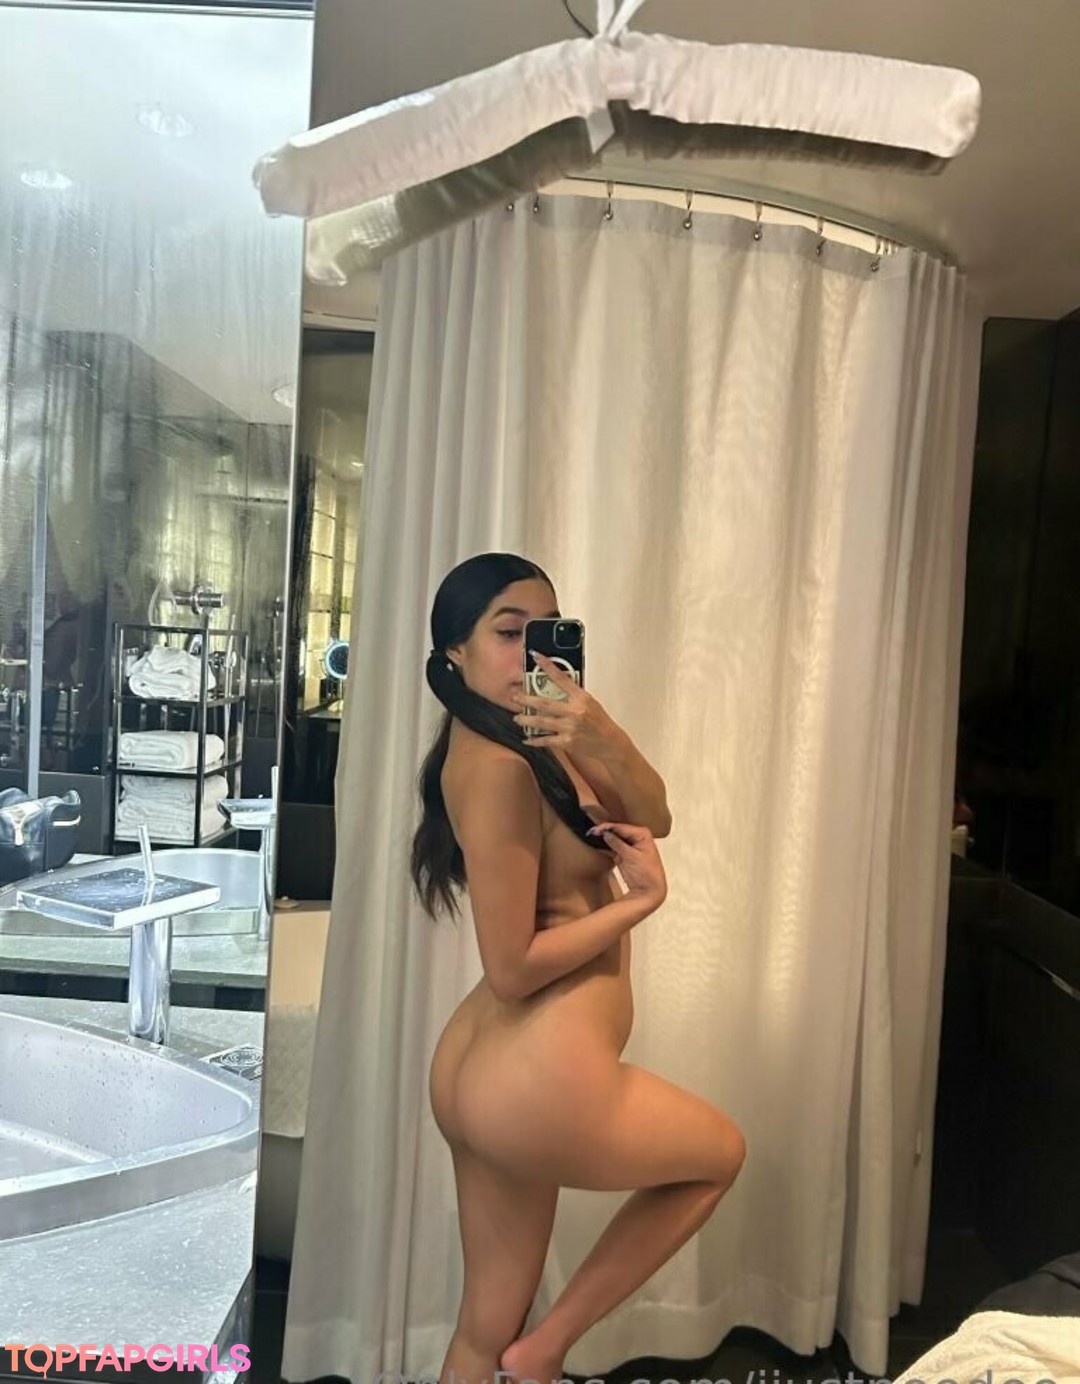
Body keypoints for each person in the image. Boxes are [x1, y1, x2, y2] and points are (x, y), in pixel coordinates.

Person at [411, 552, 747, 1384]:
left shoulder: (536, 737)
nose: (529, 652)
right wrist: (638, 903)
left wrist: (600, 734)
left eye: (545, 632)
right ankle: (546, 1351)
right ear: (454, 651)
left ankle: (524, 1353)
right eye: (508, 632)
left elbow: (654, 813)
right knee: (719, 1156)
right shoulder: (494, 769)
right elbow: (513, 967)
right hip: (534, 1075)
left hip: (488, 1069)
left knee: (483, 1328)